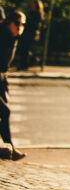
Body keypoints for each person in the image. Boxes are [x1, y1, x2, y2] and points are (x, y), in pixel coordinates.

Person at [1, 9, 27, 160]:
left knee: (4, 112)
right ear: (8, 23)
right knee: (4, 111)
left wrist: (5, 80)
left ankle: (9, 147)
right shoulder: (2, 36)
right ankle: (10, 148)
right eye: (16, 23)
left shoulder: (13, 38)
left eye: (22, 24)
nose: (19, 27)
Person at [16, 0, 44, 70]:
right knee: (23, 49)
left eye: (33, 5)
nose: (32, 6)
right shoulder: (29, 12)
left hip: (31, 34)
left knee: (26, 50)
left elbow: (36, 25)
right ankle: (30, 61)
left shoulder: (38, 14)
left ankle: (25, 64)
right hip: (25, 33)